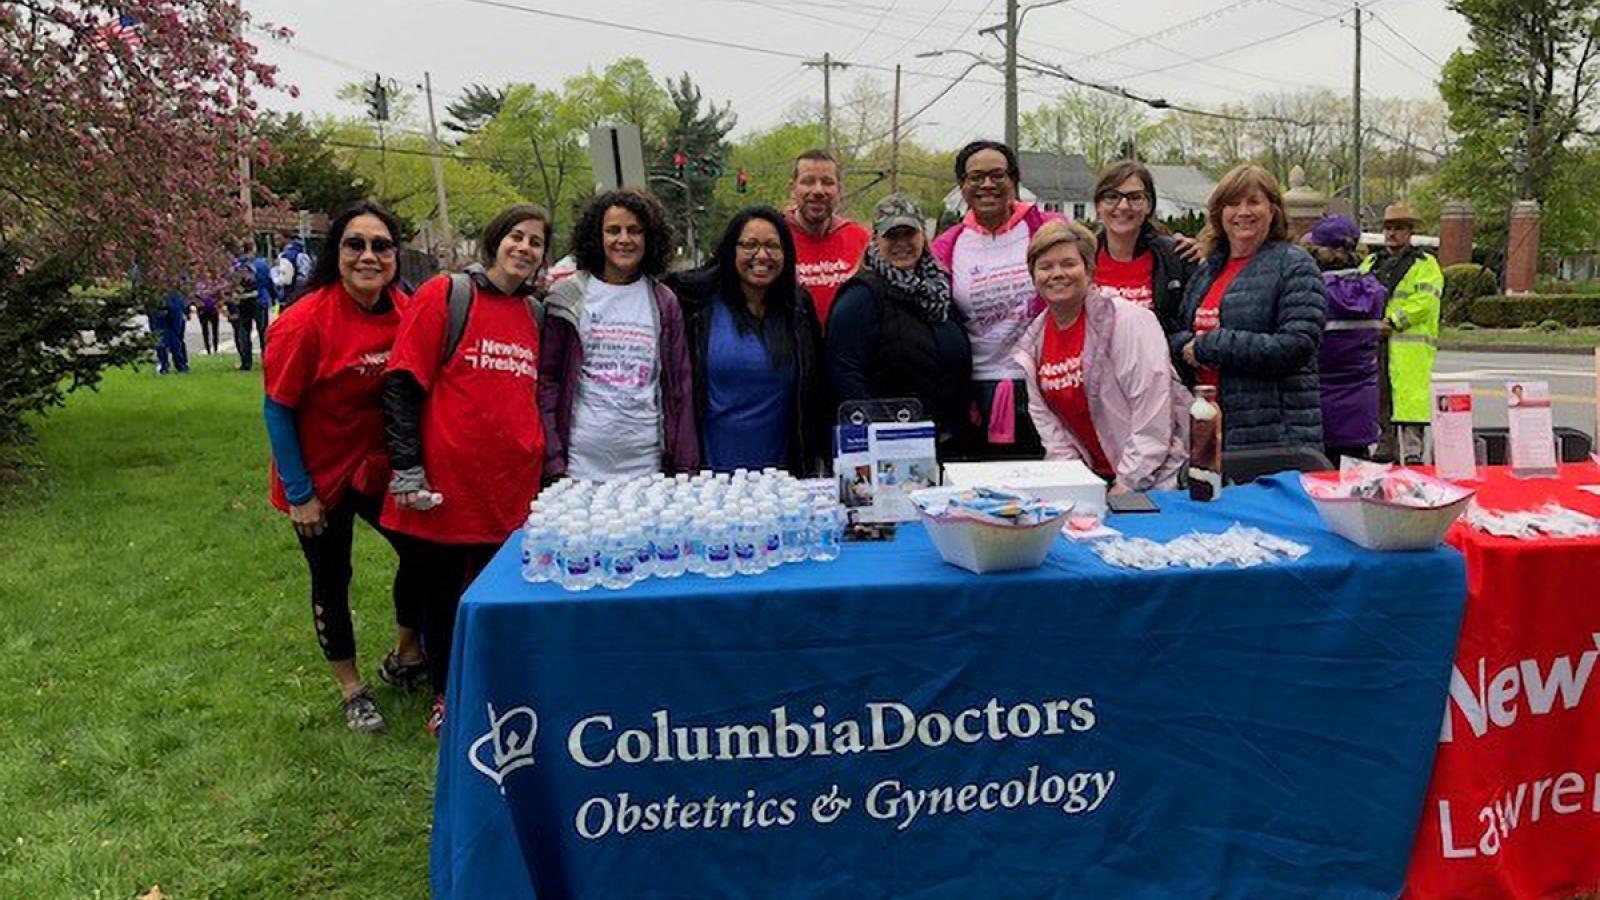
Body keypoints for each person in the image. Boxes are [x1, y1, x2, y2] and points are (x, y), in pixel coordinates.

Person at [383, 204, 553, 735]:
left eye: (535, 242)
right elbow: (402, 381)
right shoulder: (447, 294)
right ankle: (447, 695)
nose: (524, 248)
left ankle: (494, 688)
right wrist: (407, 469)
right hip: (448, 484)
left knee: (497, 593)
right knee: (444, 598)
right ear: (495, 240)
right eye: (516, 236)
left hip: (512, 487)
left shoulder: (535, 314)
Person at [261, 201, 425, 734]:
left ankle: (406, 655)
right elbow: (277, 408)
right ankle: (352, 690)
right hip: (318, 476)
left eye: (381, 246)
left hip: (377, 470)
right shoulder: (304, 323)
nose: (368, 256)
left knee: (423, 553)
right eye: (356, 244)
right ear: (336, 252)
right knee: (332, 576)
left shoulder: (407, 311)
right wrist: (300, 492)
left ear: (395, 256)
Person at [1013, 221, 1189, 493]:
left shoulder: (1127, 320)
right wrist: (1077, 486)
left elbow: (1152, 413)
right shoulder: (1032, 344)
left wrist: (1126, 484)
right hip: (1094, 483)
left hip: (1156, 480)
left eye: (1068, 264)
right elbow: (1053, 433)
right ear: (1033, 276)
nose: (1057, 274)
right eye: (1045, 266)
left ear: (1089, 270)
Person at [540, 189, 697, 483]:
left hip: (648, 468)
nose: (624, 239)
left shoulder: (664, 302)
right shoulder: (568, 296)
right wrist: (554, 463)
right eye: (613, 230)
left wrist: (684, 468)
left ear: (649, 238)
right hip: (578, 468)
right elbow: (548, 383)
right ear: (596, 236)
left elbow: (680, 389)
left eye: (634, 230)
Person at [1170, 164, 1327, 453]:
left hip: (1273, 438)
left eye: (1254, 202)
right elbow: (1182, 332)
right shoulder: (1208, 270)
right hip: (1210, 429)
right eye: (1233, 203)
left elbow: (1298, 345)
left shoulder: (1294, 265)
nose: (1243, 212)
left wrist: (1211, 346)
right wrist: (1182, 346)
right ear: (1220, 213)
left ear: (1273, 211)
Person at [666, 206, 827, 475]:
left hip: (784, 479)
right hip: (708, 476)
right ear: (731, 250)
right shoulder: (695, 302)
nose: (762, 255)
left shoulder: (799, 308)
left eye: (772, 246)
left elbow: (816, 389)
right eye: (750, 245)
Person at [931, 140, 1066, 459]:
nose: (987, 184)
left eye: (997, 175)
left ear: (1014, 180)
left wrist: (1174, 246)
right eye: (976, 177)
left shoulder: (1048, 229)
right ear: (962, 185)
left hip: (1045, 384)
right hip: (975, 391)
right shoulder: (946, 247)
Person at [827, 194, 975, 459]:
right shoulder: (860, 296)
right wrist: (884, 438)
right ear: (875, 240)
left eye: (909, 234)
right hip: (890, 449)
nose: (902, 243)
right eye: (892, 236)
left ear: (923, 237)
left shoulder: (940, 291)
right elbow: (844, 374)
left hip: (949, 444)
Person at [1359, 202, 1443, 464]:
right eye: (1388, 228)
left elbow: (1425, 302)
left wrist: (1393, 322)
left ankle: (1412, 452)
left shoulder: (1425, 264)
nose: (1391, 234)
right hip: (1376, 343)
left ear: (1409, 232)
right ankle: (1384, 448)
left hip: (1408, 348)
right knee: (1379, 398)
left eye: (1398, 228)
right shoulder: (1371, 263)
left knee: (1409, 402)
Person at [1304, 215, 1388, 465]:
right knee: (1354, 479)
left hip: (1318, 405)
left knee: (1319, 478)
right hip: (1361, 407)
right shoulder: (1375, 292)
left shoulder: (1312, 291)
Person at [1091, 160, 1193, 336]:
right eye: (1111, 197)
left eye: (1135, 197)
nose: (1123, 206)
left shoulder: (1177, 257)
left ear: (1149, 205)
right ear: (1098, 206)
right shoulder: (1081, 258)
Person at [786, 150, 871, 328]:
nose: (818, 191)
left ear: (839, 190)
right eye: (808, 181)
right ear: (792, 189)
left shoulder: (861, 239)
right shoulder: (775, 237)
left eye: (827, 182)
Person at [228, 268, 259, 371]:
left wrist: (239, 297)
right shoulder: (247, 279)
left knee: (242, 336)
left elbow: (254, 293)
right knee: (242, 336)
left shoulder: (247, 282)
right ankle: (246, 361)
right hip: (244, 309)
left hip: (244, 310)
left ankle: (246, 362)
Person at [195, 283, 222, 355]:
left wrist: (218, 305)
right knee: (205, 331)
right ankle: (208, 349)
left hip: (213, 310)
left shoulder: (215, 283)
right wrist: (198, 303)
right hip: (202, 310)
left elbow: (220, 296)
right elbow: (194, 297)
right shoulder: (197, 283)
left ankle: (215, 348)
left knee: (215, 330)